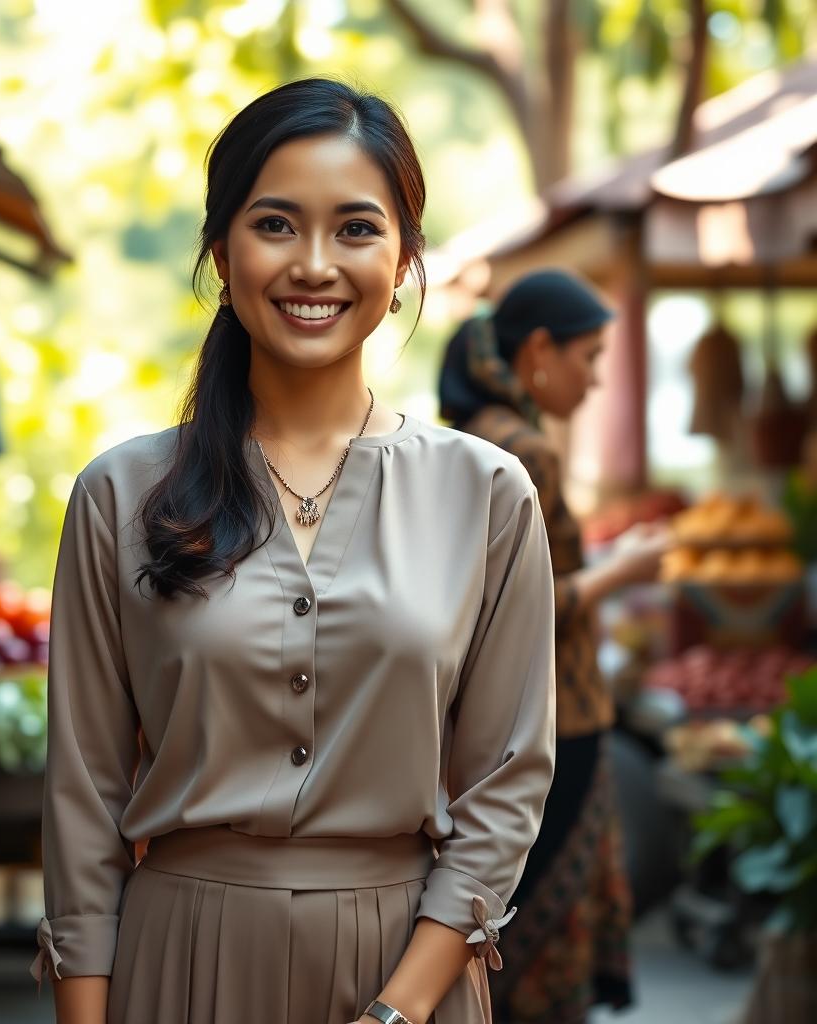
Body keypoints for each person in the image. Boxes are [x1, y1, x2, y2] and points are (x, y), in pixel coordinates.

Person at [31, 78, 556, 1024]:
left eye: (356, 228)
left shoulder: (487, 495)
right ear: (220, 253)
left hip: (407, 968)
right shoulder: (119, 495)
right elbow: (84, 796)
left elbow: (505, 783)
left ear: (405, 261)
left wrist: (400, 1011)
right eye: (276, 224)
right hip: (181, 963)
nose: (314, 264)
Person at [438, 269, 670, 1024]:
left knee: (494, 912)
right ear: (539, 349)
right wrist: (628, 571)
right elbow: (536, 607)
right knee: (535, 935)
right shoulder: (526, 449)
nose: (596, 378)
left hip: (491, 720)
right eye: (589, 357)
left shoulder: (469, 436)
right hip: (557, 718)